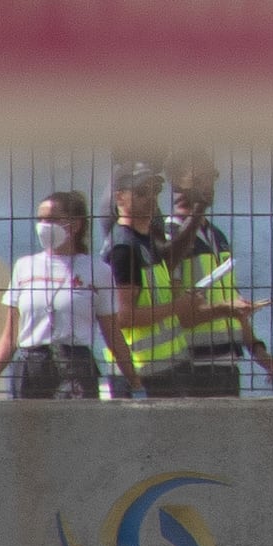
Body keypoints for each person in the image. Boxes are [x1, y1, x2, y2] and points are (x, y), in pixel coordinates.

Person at [147, 160, 273, 396]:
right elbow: (178, 315)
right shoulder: (171, 236)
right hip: (193, 367)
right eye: (199, 179)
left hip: (226, 364)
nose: (209, 185)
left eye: (211, 178)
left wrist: (257, 350)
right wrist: (227, 309)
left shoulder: (215, 235)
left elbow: (232, 301)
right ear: (178, 183)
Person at [0, 192, 111, 400]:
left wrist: (134, 383)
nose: (44, 225)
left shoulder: (96, 270)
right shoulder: (24, 266)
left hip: (75, 365)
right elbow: (10, 335)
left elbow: (111, 331)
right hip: (32, 365)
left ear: (75, 224)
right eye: (41, 219)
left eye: (52, 219)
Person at [95, 163, 174, 398]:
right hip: (136, 373)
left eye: (154, 191)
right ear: (119, 197)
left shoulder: (145, 242)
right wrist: (179, 307)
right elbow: (124, 317)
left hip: (162, 369)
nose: (150, 198)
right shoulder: (123, 248)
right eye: (141, 192)